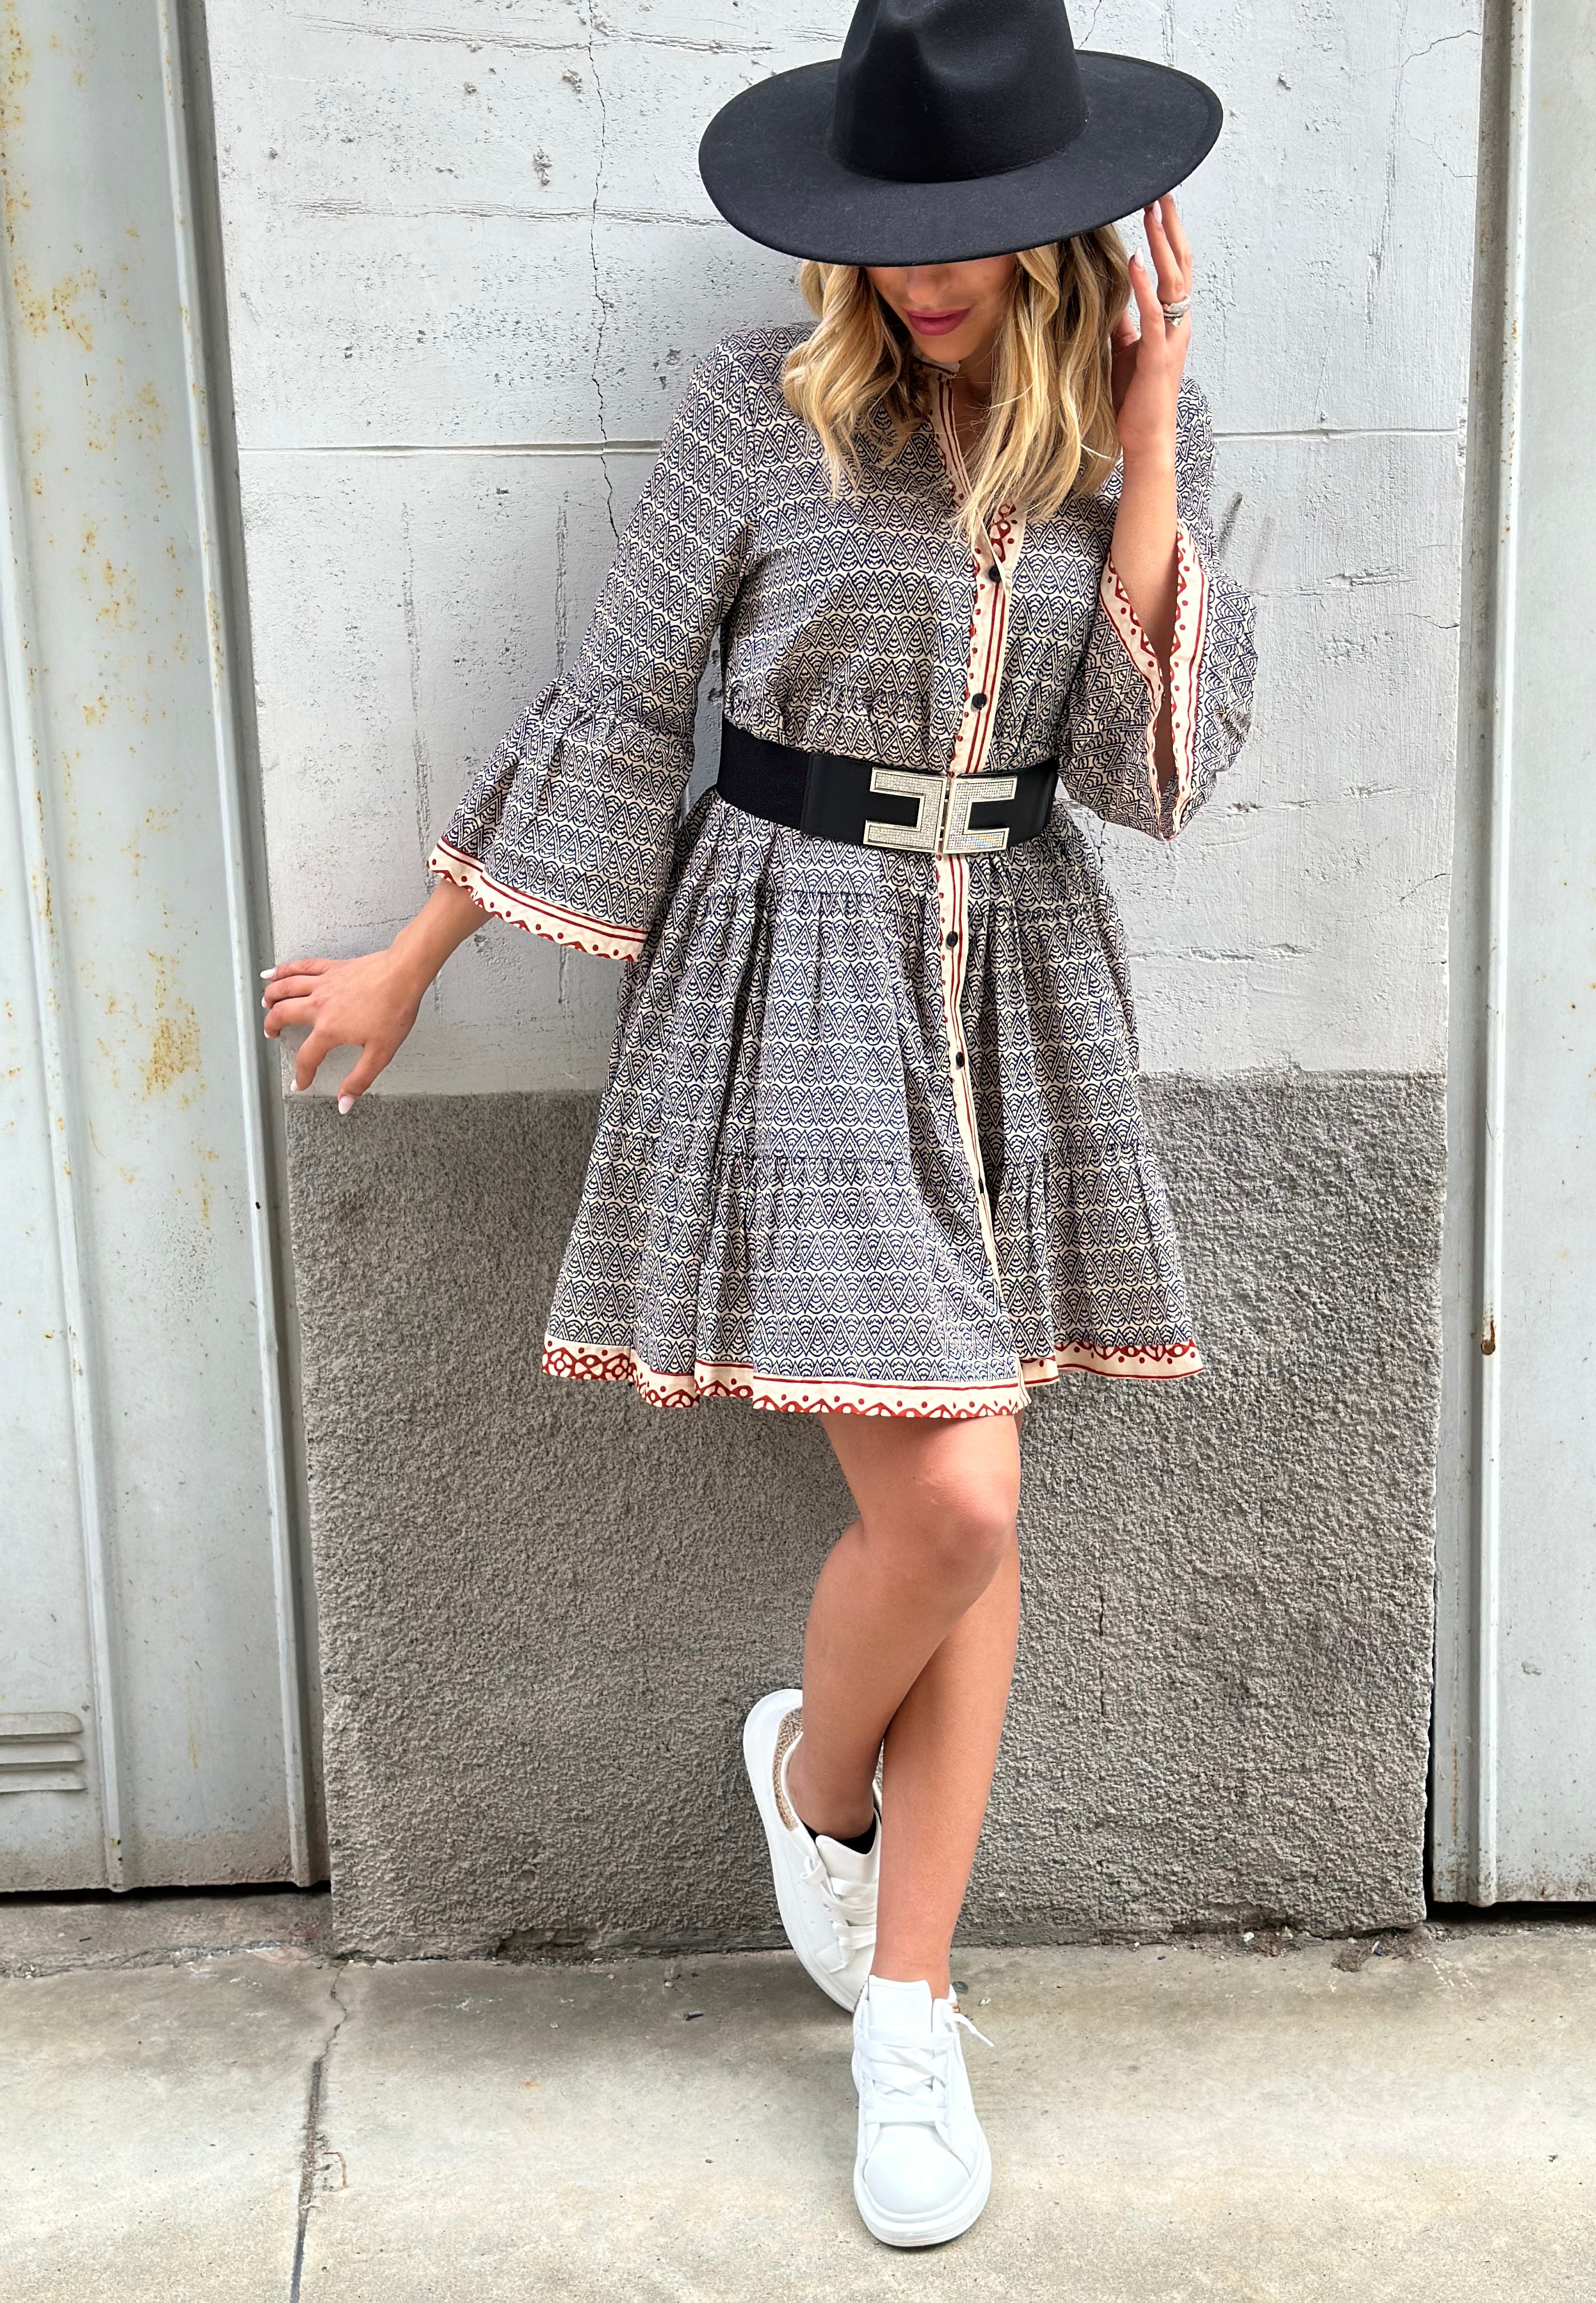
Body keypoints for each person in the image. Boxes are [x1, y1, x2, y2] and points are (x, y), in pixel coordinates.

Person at [262, 0, 1255, 2251]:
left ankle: (904, 2003)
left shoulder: (1124, 423)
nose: (926, 274)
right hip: (792, 970)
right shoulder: (760, 408)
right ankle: (821, 1797)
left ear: (1066, 225)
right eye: (891, 230)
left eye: (972, 231)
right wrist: (420, 950)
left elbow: (1147, 774)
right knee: (963, 1493)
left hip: (1016, 981)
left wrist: (1152, 430)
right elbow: (619, 700)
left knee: (977, 1510)